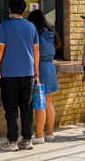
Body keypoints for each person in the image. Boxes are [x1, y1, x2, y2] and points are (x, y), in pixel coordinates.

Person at [0, 0, 39, 151]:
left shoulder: (4, 25)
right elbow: (36, 49)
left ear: (9, 10)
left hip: (9, 73)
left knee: (11, 108)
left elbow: (0, 48)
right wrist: (36, 68)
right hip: (27, 72)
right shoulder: (31, 26)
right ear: (24, 11)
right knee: (26, 107)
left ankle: (12, 141)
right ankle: (27, 140)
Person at [27, 9, 62, 144]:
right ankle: (49, 133)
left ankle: (39, 135)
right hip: (50, 67)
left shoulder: (36, 34)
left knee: (38, 101)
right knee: (48, 102)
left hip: (39, 67)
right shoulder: (50, 33)